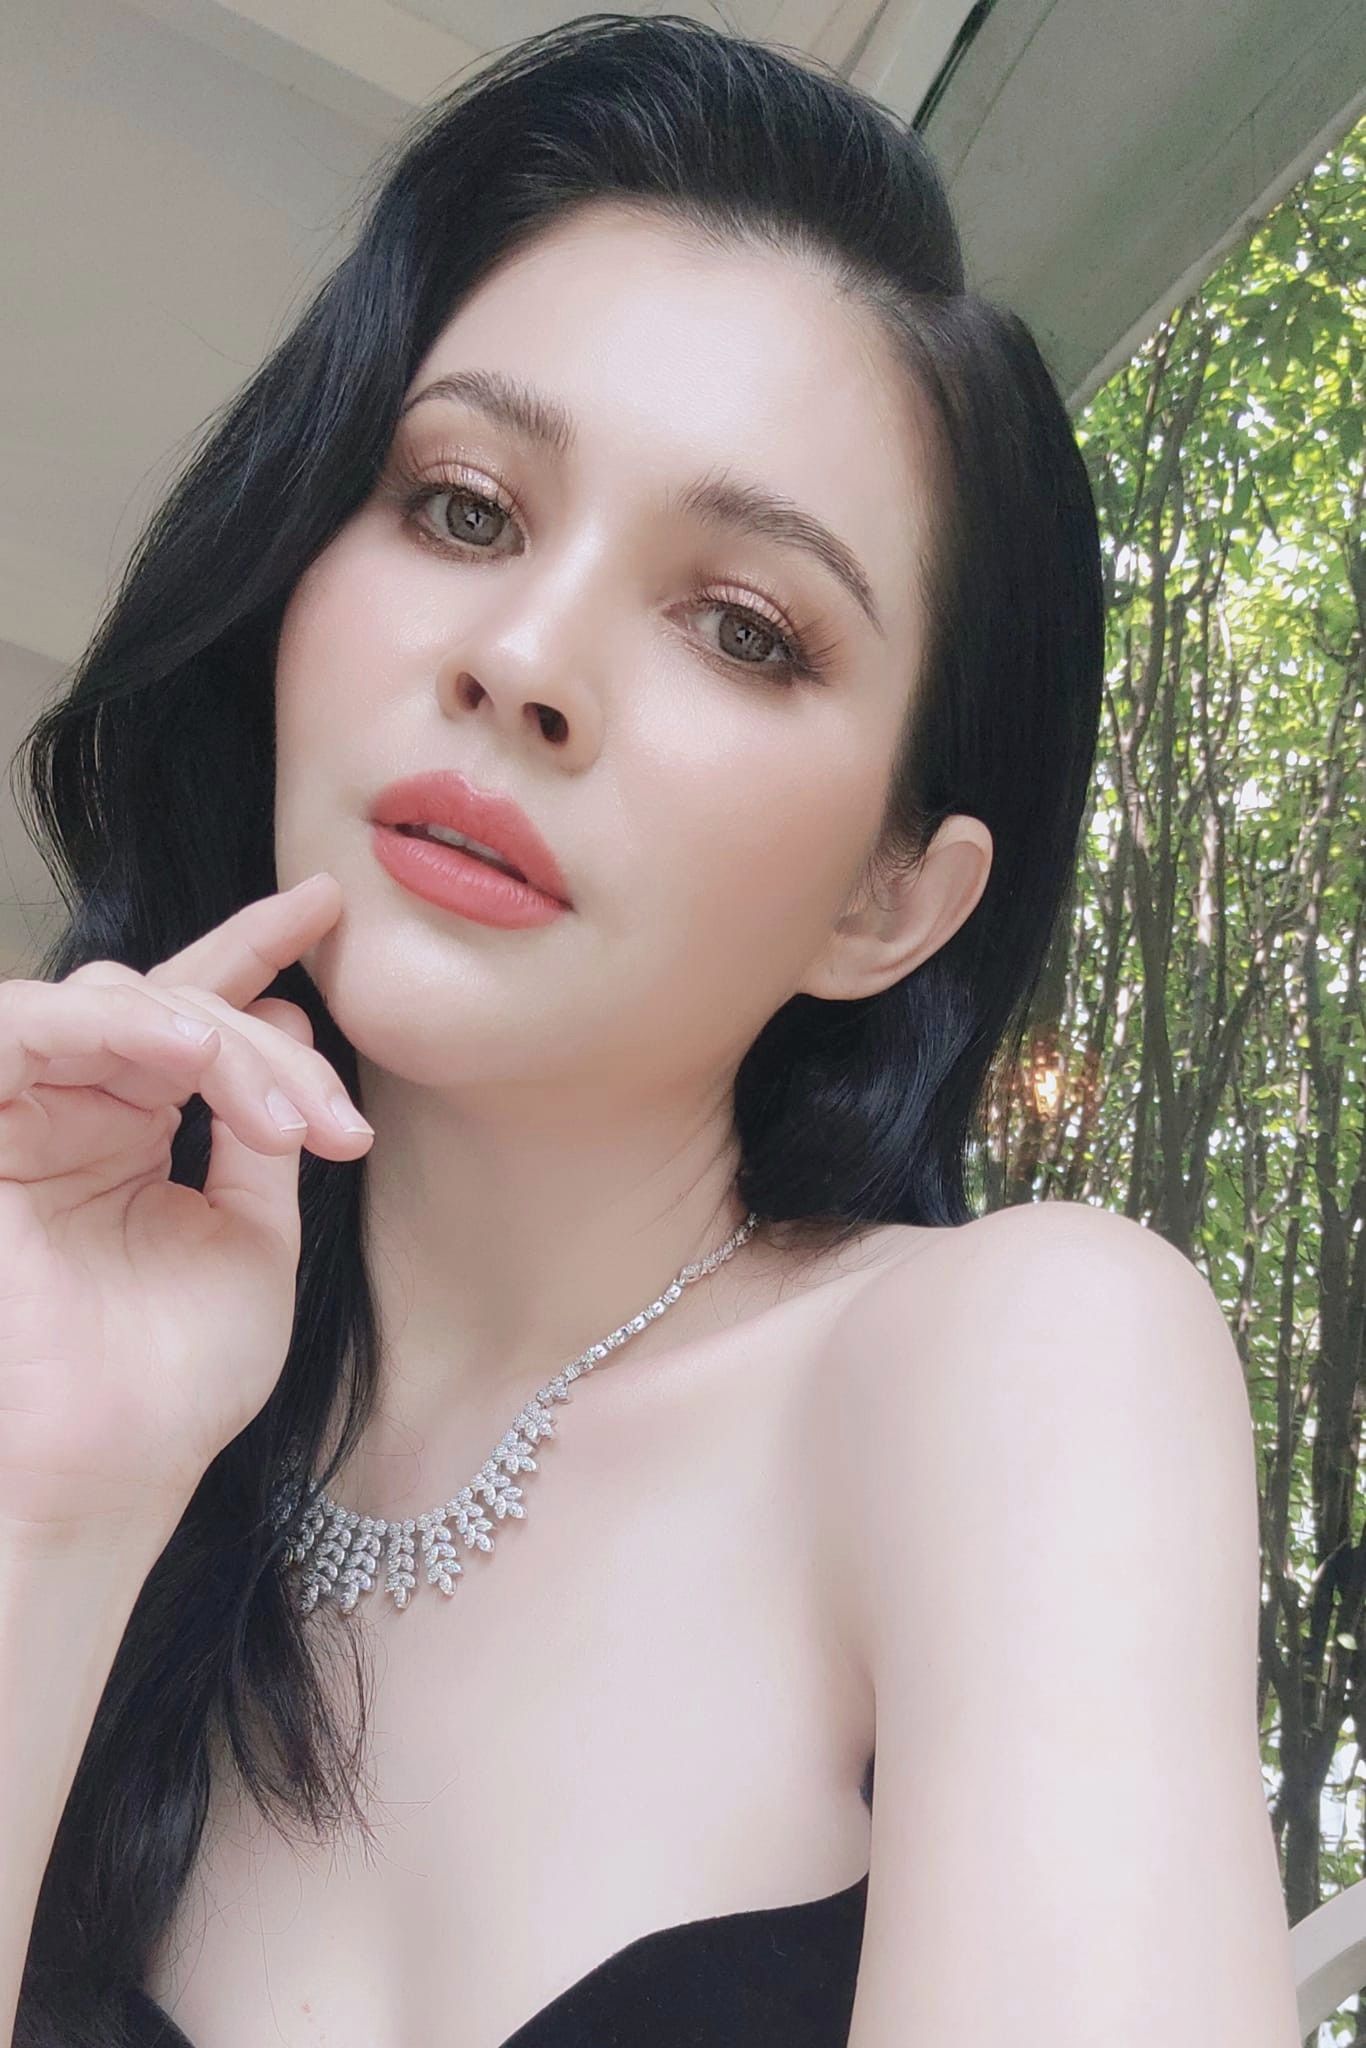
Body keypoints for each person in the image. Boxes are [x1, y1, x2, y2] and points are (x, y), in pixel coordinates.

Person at [1, 13, 1298, 2048]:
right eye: (461, 508)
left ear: (886, 900)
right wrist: (54, 1499)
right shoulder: (93, 1414)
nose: (523, 658)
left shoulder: (1001, 1371)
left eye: (743, 628)